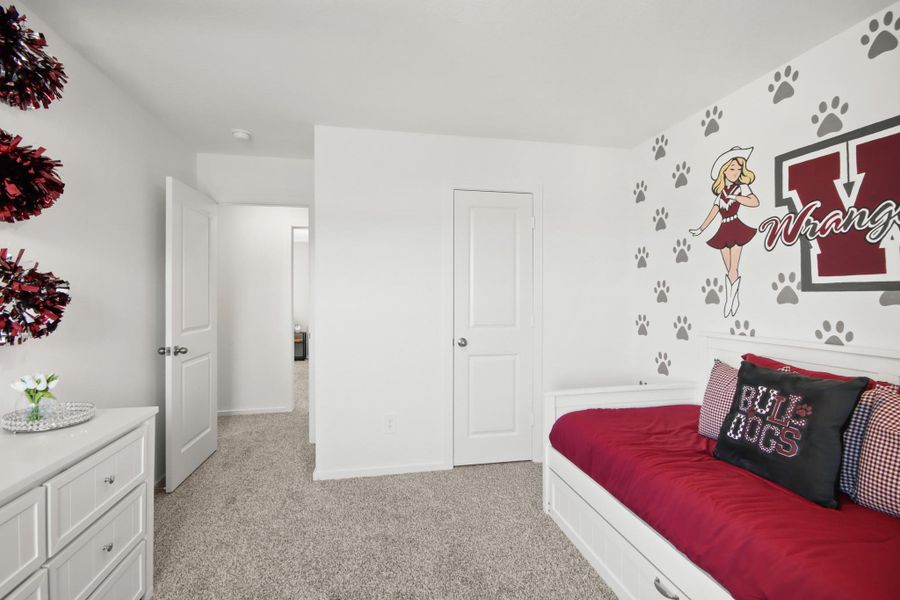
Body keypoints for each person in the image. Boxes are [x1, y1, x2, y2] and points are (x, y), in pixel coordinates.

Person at [689, 146, 759, 317]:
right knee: (729, 269)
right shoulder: (720, 194)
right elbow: (713, 213)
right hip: (723, 229)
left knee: (733, 268)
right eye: (732, 169)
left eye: (738, 169)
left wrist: (736, 198)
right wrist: (700, 229)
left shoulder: (742, 187)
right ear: (724, 170)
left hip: (736, 227)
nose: (736, 172)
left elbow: (754, 202)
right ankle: (735, 298)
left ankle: (730, 301)